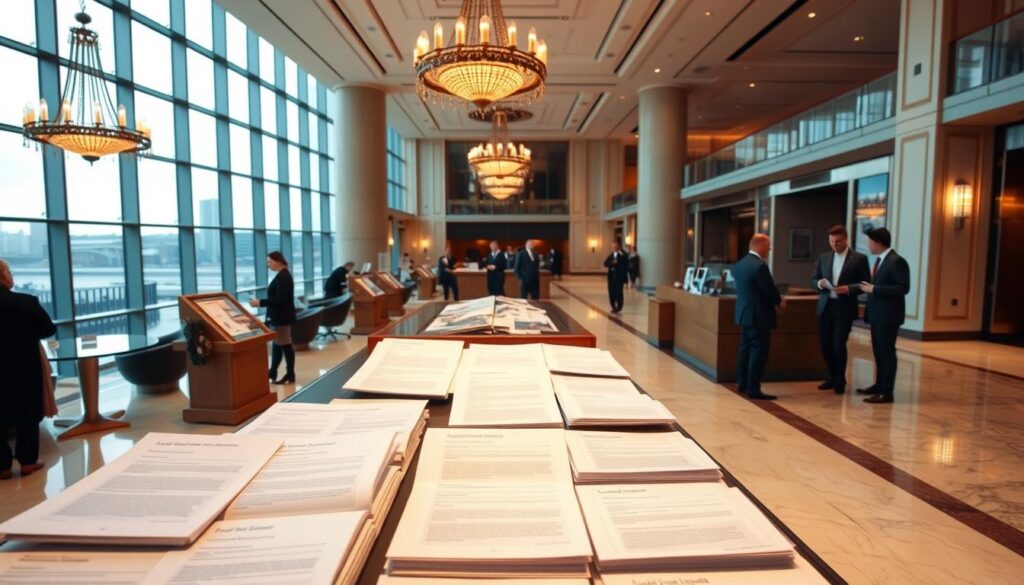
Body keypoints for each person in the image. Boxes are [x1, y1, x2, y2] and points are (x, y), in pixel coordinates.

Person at [0, 259, 56, 479]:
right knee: (28, 415)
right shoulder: (26, 302)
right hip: (24, 368)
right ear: (4, 276)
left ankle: (3, 467)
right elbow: (47, 329)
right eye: (10, 272)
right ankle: (27, 462)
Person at [810, 225, 871, 395]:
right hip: (826, 306)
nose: (834, 245)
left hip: (843, 309)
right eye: (831, 241)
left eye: (837, 241)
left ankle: (840, 379)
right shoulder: (824, 257)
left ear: (845, 240)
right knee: (825, 345)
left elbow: (865, 284)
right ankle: (831, 376)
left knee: (838, 344)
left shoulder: (859, 258)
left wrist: (849, 289)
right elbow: (813, 279)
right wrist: (819, 283)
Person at [856, 227, 910, 404]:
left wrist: (875, 289)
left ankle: (887, 392)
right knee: (878, 352)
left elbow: (903, 288)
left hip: (888, 316)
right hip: (878, 315)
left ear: (878, 242)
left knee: (886, 352)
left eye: (870, 241)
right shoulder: (881, 260)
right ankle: (879, 385)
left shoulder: (896, 261)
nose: (868, 245)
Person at [732, 234, 786, 401]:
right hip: (759, 316)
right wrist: (779, 301)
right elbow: (769, 290)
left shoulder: (740, 265)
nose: (770, 249)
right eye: (768, 245)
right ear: (759, 245)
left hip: (744, 314)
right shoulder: (759, 266)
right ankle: (753, 388)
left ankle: (742, 383)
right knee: (758, 351)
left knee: (745, 350)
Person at [249, 251, 297, 385]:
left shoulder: (283, 277)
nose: (268, 265)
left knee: (285, 345)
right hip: (279, 316)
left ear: (277, 261)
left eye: (269, 262)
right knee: (278, 345)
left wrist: (260, 302)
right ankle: (273, 372)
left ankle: (289, 374)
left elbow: (280, 299)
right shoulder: (282, 275)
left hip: (282, 317)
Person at [604, 240, 628, 313]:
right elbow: (605, 263)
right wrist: (612, 263)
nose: (614, 248)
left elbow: (626, 261)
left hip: (619, 277)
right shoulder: (612, 254)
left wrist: (620, 254)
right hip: (611, 277)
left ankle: (619, 307)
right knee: (611, 291)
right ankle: (613, 305)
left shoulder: (623, 254)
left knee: (618, 292)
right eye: (613, 246)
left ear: (619, 246)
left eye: (615, 246)